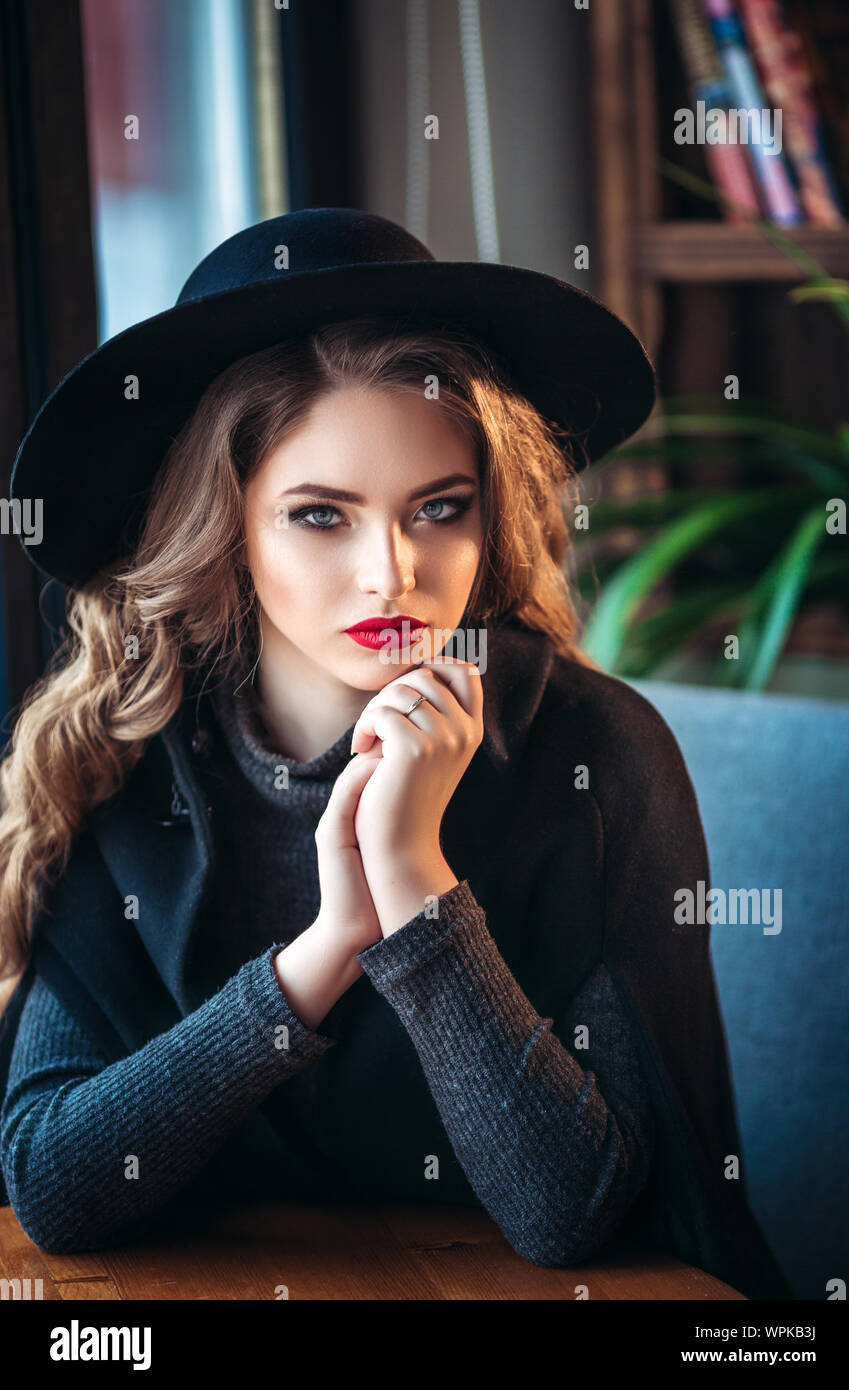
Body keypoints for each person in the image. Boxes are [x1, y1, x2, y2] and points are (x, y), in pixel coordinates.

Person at [0, 209, 791, 1298]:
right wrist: (323, 952)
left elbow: (575, 1216)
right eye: (321, 515)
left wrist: (415, 884)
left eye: (438, 509)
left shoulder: (596, 758)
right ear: (225, 523)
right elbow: (54, 1185)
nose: (391, 571)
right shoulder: (127, 755)